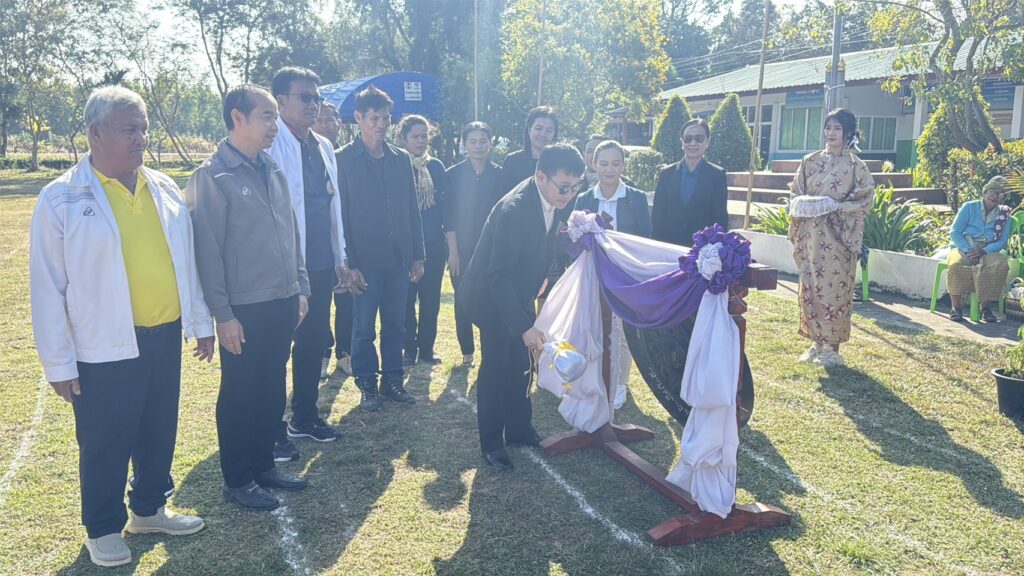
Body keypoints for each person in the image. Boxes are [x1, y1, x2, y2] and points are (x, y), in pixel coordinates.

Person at [29, 86, 213, 567]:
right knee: (105, 441)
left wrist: (200, 322)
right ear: (96, 133)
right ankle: (104, 528)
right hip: (103, 346)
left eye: (144, 129)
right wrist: (58, 363)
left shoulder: (164, 186)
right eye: (130, 130)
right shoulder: (61, 198)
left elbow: (185, 261)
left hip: (164, 334)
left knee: (158, 429)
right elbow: (47, 288)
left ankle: (149, 510)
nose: (142, 139)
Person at [187, 85, 312, 511]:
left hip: (283, 298)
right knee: (240, 391)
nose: (275, 125)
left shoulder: (272, 168)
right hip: (243, 306)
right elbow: (208, 251)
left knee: (272, 386)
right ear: (237, 118)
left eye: (276, 116)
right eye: (267, 116)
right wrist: (223, 313)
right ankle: (238, 478)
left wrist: (300, 286)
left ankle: (263, 465)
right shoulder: (212, 176)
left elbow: (292, 232)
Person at [457, 143, 587, 470]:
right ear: (540, 177)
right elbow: (497, 276)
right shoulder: (514, 211)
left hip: (518, 291)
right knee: (496, 367)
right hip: (489, 297)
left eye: (576, 186)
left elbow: (547, 241)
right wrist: (524, 326)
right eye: (564, 187)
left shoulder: (555, 198)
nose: (570, 194)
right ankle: (491, 443)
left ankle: (518, 428)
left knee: (521, 364)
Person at [267, 67, 347, 454]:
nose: (313, 104)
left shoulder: (324, 146)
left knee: (313, 342)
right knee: (277, 348)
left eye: (317, 98)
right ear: (280, 101)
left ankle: (304, 416)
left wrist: (339, 255)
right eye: (305, 97)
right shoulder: (270, 144)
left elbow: (333, 205)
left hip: (319, 262)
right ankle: (270, 428)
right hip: (281, 266)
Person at [337, 86, 425, 411]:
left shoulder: (400, 159)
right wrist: (349, 263)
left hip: (399, 257)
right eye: (374, 118)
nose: (380, 125)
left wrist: (418, 255)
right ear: (359, 118)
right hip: (364, 259)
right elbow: (340, 216)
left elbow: (412, 209)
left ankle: (392, 381)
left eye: (385, 118)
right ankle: (366, 385)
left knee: (396, 324)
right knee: (363, 328)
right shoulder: (343, 160)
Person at [788, 108, 875, 366]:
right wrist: (803, 204)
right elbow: (795, 192)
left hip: (838, 238)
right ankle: (816, 342)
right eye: (828, 127)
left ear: (848, 133)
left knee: (833, 290)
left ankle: (831, 348)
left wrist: (835, 207)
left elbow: (865, 200)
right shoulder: (810, 161)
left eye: (837, 128)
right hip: (810, 238)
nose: (831, 133)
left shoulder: (856, 166)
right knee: (810, 288)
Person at [573, 139, 652, 409]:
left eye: (615, 163)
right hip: (593, 271)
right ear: (594, 164)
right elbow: (574, 237)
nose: (609, 169)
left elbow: (644, 238)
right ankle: (595, 377)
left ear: (623, 165)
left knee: (623, 328)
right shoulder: (584, 198)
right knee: (593, 323)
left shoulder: (636, 198)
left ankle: (619, 383)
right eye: (604, 163)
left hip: (624, 273)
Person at [446, 121, 504, 366]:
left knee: (489, 299)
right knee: (463, 298)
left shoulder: (500, 174)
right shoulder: (453, 175)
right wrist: (453, 252)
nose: (478, 146)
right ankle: (467, 351)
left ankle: (490, 349)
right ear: (464, 144)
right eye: (473, 141)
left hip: (491, 248)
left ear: (490, 143)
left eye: (483, 141)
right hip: (462, 248)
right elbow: (448, 215)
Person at [396, 115, 452, 367]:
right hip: (404, 246)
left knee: (431, 300)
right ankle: (409, 348)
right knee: (406, 300)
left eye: (424, 136)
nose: (420, 141)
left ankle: (427, 348)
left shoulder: (436, 167)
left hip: (433, 244)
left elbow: (446, 207)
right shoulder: (396, 164)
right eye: (415, 136)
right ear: (403, 138)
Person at [312, 102, 355, 377]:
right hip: (318, 243)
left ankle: (345, 353)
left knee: (347, 302)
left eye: (331, 119)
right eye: (320, 119)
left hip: (347, 242)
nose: (325, 124)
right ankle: (323, 351)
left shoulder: (349, 157)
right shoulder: (308, 155)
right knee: (318, 303)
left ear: (340, 123)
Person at [651, 118, 729, 246]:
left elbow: (720, 218)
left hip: (701, 249)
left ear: (708, 141)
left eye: (699, 138)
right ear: (682, 141)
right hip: (669, 246)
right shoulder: (666, 174)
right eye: (688, 139)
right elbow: (658, 215)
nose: (693, 143)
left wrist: (716, 249)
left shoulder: (717, 175)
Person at [946, 176, 1012, 322]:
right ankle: (956, 307)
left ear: (1004, 198)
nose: (994, 196)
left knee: (999, 264)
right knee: (956, 264)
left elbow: (1002, 241)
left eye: (1000, 194)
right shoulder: (969, 207)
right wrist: (968, 249)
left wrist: (984, 251)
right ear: (985, 191)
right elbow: (955, 232)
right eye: (992, 191)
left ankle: (986, 308)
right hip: (964, 246)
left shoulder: (1005, 215)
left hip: (988, 249)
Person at [500, 105, 558, 195]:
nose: (543, 134)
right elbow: (504, 197)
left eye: (549, 130)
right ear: (529, 130)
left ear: (554, 134)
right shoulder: (512, 161)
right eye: (539, 128)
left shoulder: (560, 163)